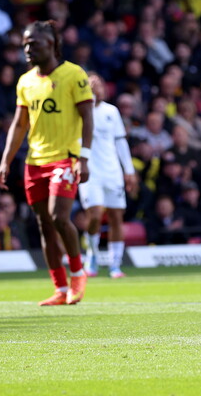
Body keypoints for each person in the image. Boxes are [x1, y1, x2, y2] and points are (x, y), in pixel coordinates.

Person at [0, 21, 94, 306]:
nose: (28, 49)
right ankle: (60, 289)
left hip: (65, 157)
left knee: (59, 216)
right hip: (34, 161)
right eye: (25, 43)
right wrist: (5, 161)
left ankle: (78, 273)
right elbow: (18, 125)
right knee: (44, 225)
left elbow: (88, 117)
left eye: (33, 43)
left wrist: (83, 157)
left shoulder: (74, 74)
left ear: (51, 44)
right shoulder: (25, 81)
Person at [79, 73, 137, 279]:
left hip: (112, 172)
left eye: (101, 85)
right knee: (94, 216)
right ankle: (92, 255)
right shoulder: (78, 112)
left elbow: (120, 142)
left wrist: (128, 170)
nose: (99, 89)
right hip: (90, 173)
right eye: (93, 86)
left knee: (116, 218)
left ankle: (115, 265)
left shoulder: (112, 111)